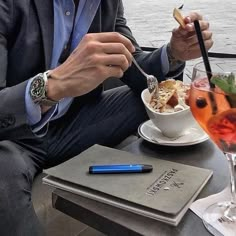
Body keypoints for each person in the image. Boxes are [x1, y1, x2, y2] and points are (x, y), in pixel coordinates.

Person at [0, 0, 213, 235]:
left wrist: (173, 53)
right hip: (15, 137)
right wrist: (50, 87)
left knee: (151, 99)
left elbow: (134, 67)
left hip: (72, 125)